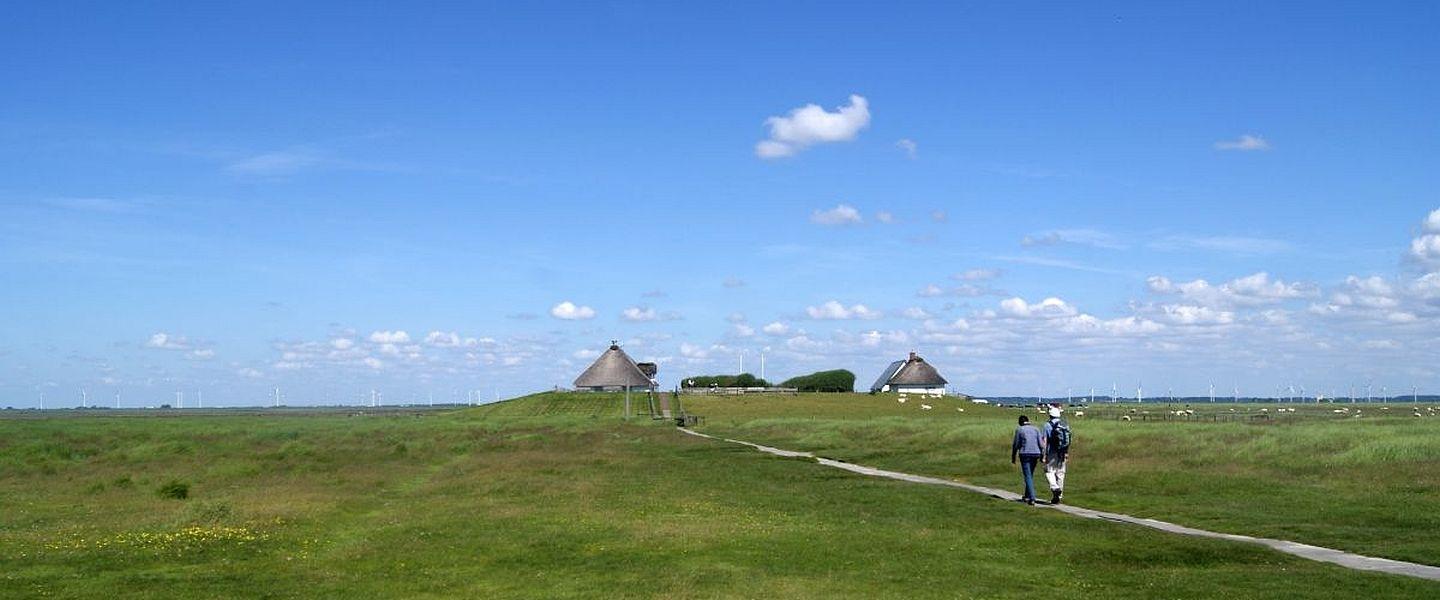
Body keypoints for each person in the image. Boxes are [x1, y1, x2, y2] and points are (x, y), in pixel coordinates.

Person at [1010, 414, 1045, 505]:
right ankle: (1026, 495)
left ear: (1020, 422)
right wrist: (1043, 455)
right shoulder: (1036, 429)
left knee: (1027, 475)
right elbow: (1041, 444)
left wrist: (1013, 456)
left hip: (1025, 453)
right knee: (1030, 475)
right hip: (1036, 453)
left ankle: (1032, 497)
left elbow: (1016, 444)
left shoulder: (1020, 429)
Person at [1042, 406, 1070, 504]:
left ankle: (1055, 488)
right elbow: (1067, 439)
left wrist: (1044, 455)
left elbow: (1044, 441)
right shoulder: (1064, 424)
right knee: (1061, 474)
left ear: (1050, 415)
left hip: (1052, 452)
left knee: (1049, 471)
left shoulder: (1047, 425)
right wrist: (1066, 452)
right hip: (1062, 451)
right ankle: (1059, 497)